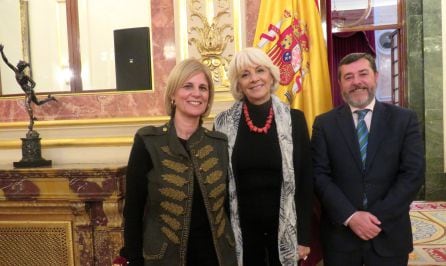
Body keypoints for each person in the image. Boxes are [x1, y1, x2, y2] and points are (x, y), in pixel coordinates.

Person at [119, 58, 237, 266]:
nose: (196, 93)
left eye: (203, 88)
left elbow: (228, 207)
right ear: (173, 94)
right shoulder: (148, 141)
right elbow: (133, 210)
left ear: (208, 98)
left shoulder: (219, 144)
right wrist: (134, 258)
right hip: (163, 259)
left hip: (216, 258)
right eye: (188, 86)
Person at [311, 52, 425, 266]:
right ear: (340, 84)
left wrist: (374, 218)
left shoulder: (404, 120)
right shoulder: (324, 124)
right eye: (348, 77)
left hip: (388, 233)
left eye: (363, 74)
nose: (357, 82)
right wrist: (351, 217)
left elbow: (413, 174)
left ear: (376, 76)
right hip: (340, 236)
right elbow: (319, 175)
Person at [214, 47, 313, 266]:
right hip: (242, 232)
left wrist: (304, 237)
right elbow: (219, 186)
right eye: (245, 74)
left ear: (271, 75)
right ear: (238, 83)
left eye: (260, 70)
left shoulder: (294, 120)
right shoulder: (222, 124)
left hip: (286, 229)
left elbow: (306, 181)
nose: (254, 79)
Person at [0, 44, 56, 132]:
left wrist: (30, 88)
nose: (17, 65)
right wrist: (2, 51)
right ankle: (50, 98)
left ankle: (31, 121)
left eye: (19, 64)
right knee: (37, 103)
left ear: (21, 67)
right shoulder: (15, 71)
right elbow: (6, 62)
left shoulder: (24, 76)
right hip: (28, 92)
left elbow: (34, 83)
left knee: (27, 105)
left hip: (29, 91)